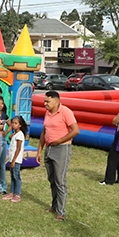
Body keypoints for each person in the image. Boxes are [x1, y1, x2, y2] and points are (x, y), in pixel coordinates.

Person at [37, 90, 79, 221]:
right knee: (52, 179)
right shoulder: (47, 113)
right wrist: (39, 149)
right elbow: (44, 131)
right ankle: (54, 206)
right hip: (49, 148)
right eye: (44, 101)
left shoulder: (66, 112)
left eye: (48, 101)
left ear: (56, 101)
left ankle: (61, 212)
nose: (45, 104)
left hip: (61, 148)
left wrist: (60, 141)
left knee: (60, 181)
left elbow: (75, 130)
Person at [4, 115, 26, 202]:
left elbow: (18, 148)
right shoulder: (15, 134)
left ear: (20, 125)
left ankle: (17, 194)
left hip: (16, 159)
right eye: (12, 123)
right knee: (12, 176)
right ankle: (12, 192)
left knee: (16, 176)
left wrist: (13, 160)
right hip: (12, 158)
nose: (13, 125)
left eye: (16, 123)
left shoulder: (20, 135)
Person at [0, 96, 9, 194]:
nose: (0, 105)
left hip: (3, 138)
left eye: (2, 103)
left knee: (2, 164)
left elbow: (10, 123)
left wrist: (6, 132)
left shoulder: (4, 114)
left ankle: (2, 187)